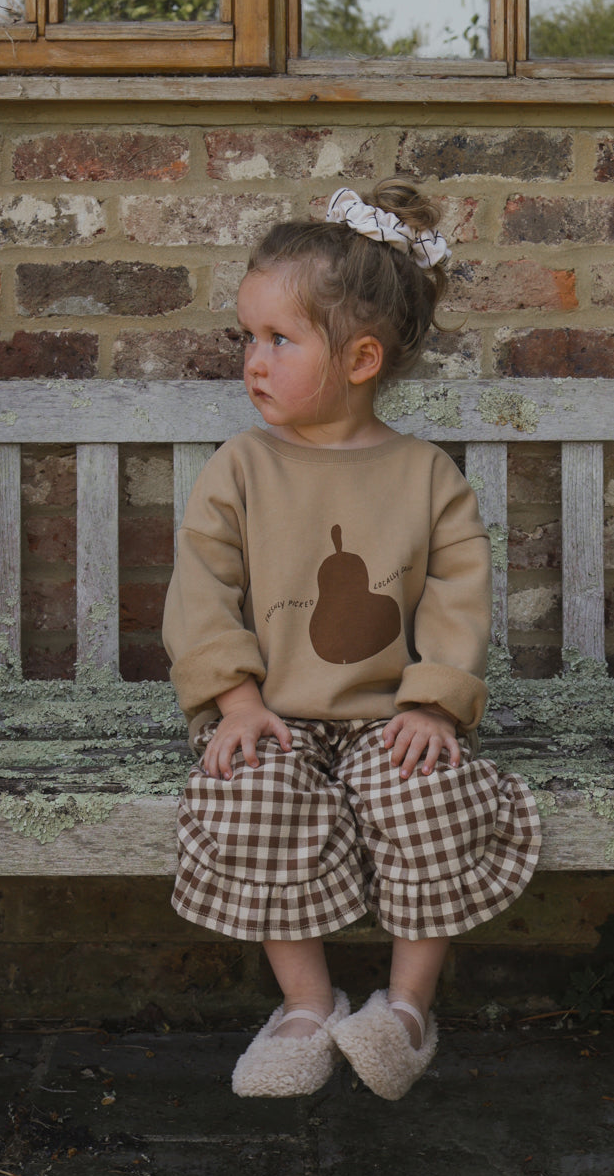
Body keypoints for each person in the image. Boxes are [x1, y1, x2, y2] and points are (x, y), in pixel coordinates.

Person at [163, 180, 541, 1101]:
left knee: (430, 800)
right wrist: (236, 701)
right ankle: (305, 1004)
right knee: (253, 804)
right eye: (246, 336)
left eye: (278, 340)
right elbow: (201, 592)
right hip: (270, 715)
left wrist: (432, 702)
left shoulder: (425, 477)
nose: (252, 360)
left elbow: (458, 596)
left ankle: (407, 1010)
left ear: (361, 357)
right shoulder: (240, 469)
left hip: (391, 718)